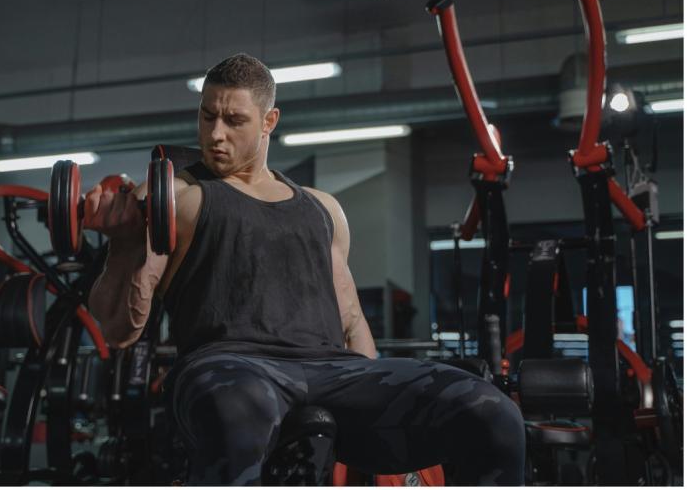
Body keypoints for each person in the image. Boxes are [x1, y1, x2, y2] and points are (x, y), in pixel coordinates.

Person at [88, 53, 525, 485]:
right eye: (207, 117)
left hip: (331, 370)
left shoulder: (322, 208)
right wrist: (124, 245)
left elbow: (352, 321)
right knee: (240, 410)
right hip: (229, 367)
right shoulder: (177, 196)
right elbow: (118, 329)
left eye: (234, 121)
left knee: (490, 411)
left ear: (268, 121)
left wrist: (374, 398)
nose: (215, 135)